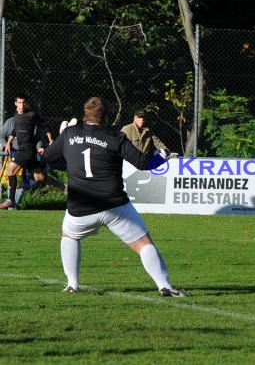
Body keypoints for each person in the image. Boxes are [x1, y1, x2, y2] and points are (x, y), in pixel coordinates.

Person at [42, 97, 184, 297]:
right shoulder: (114, 136)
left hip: (80, 206)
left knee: (69, 235)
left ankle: (72, 284)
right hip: (114, 206)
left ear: (85, 115)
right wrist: (161, 156)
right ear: (106, 116)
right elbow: (143, 163)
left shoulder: (69, 134)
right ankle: (165, 286)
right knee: (144, 244)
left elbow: (45, 157)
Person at [0, 94, 60, 209]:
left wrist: (51, 139)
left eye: (23, 102)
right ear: (15, 103)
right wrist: (8, 142)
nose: (22, 105)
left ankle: (11, 200)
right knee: (39, 177)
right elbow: (15, 130)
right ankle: (64, 188)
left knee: (10, 170)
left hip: (26, 149)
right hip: (27, 152)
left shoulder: (31, 115)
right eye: (19, 102)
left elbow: (45, 125)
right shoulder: (17, 116)